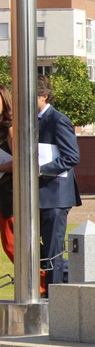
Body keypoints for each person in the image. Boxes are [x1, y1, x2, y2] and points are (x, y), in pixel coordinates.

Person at [35, 76, 82, 297]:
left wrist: (41, 169)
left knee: (53, 249)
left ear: (44, 96)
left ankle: (55, 296)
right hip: (35, 195)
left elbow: (71, 157)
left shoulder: (58, 120)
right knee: (38, 249)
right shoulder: (31, 119)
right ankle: (45, 290)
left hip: (55, 197)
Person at [0, 84, 14, 262]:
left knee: (12, 245)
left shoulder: (10, 127)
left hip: (7, 195)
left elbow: (19, 163)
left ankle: (43, 285)